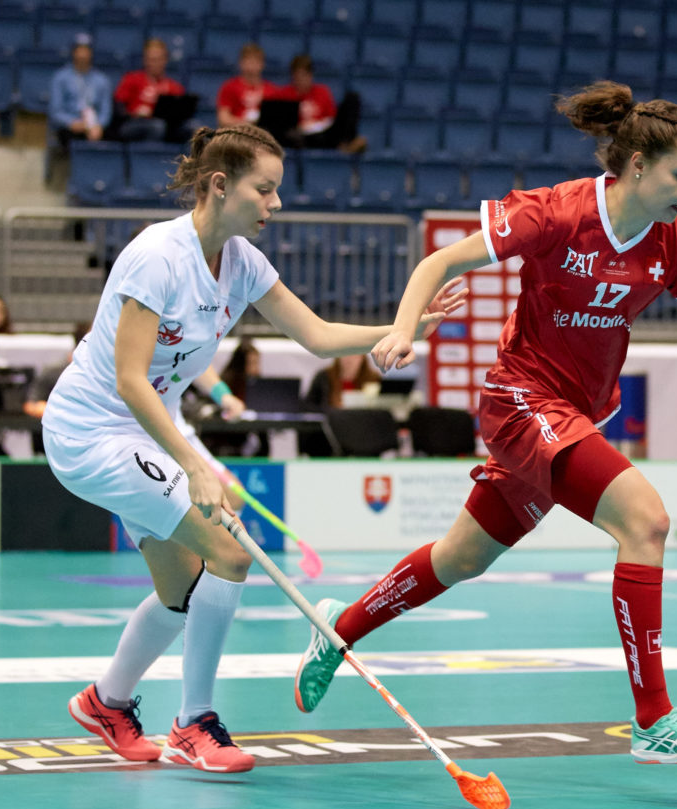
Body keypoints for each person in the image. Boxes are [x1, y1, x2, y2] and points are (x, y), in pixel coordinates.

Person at [292, 80, 677, 767]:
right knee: (645, 520)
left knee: (462, 556)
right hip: (520, 398)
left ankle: (336, 626)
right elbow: (440, 260)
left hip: (579, 413)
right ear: (639, 165)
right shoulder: (557, 212)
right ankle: (654, 719)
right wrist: (405, 329)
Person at [41, 123, 464, 774]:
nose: (276, 204)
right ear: (219, 185)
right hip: (90, 430)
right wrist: (193, 465)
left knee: (180, 589)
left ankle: (107, 701)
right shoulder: (158, 257)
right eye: (264, 190)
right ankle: (194, 723)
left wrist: (408, 326)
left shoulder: (240, 262)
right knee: (230, 551)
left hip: (144, 430)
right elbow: (129, 379)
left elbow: (318, 337)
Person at [278, 55, 367, 153]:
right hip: (302, 138)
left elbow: (331, 118)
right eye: (297, 76)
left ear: (311, 75)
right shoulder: (284, 95)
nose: (300, 80)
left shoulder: (322, 92)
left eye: (304, 75)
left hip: (324, 134)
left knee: (352, 98)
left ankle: (347, 143)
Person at [112, 38, 193, 143]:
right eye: (151, 59)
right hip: (135, 123)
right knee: (157, 126)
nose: (155, 63)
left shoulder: (174, 87)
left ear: (165, 60)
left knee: (192, 127)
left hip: (167, 125)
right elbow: (118, 108)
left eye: (159, 59)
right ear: (145, 60)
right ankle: (151, 158)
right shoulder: (132, 79)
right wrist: (133, 113)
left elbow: (181, 112)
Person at [48, 36, 112, 150]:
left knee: (112, 135)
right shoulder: (61, 78)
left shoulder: (101, 80)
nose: (82, 55)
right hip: (71, 126)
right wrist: (71, 123)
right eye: (79, 51)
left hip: (94, 126)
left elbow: (106, 110)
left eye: (86, 51)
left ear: (91, 53)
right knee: (69, 136)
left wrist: (99, 125)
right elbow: (55, 110)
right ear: (73, 53)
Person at [216, 44, 277, 127]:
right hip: (237, 134)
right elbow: (223, 119)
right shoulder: (229, 87)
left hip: (263, 135)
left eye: (256, 61)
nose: (252, 65)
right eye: (248, 60)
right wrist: (247, 123)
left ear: (262, 64)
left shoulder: (271, 90)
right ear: (240, 63)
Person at [304, 353, 381, 410]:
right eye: (345, 353)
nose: (349, 359)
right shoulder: (324, 377)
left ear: (362, 357)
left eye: (355, 355)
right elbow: (309, 406)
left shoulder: (373, 379)